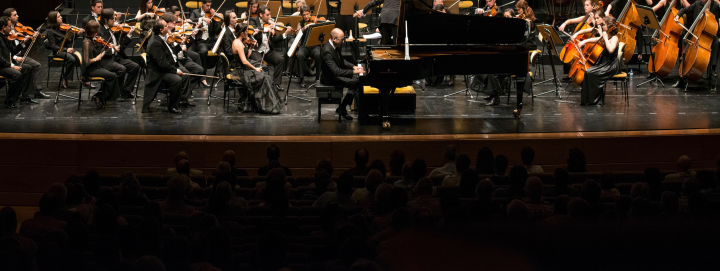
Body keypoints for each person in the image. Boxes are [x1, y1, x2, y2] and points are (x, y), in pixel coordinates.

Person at [141, 14, 193, 114]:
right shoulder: (155, 43)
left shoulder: (161, 37)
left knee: (185, 75)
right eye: (165, 26)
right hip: (158, 72)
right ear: (161, 30)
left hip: (164, 68)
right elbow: (161, 64)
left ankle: (182, 99)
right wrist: (176, 70)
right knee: (176, 80)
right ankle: (172, 106)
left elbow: (169, 53)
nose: (168, 27)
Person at [229, 22, 284, 113]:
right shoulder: (238, 43)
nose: (248, 33)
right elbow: (244, 61)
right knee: (264, 77)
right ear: (242, 33)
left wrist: (251, 48)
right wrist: (255, 69)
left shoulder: (240, 41)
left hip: (244, 67)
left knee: (264, 74)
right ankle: (265, 106)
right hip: (241, 70)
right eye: (246, 31)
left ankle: (267, 104)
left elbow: (247, 56)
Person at [321, 28, 365, 120]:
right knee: (357, 83)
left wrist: (353, 67)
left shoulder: (335, 45)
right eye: (342, 39)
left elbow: (342, 61)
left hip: (335, 74)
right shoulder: (327, 51)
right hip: (330, 78)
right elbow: (336, 71)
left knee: (356, 82)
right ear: (334, 38)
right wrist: (353, 72)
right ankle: (344, 108)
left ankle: (342, 107)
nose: (344, 41)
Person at [674, 0, 720, 88]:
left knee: (716, 42)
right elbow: (685, 10)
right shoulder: (697, 3)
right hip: (697, 33)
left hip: (710, 33)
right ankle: (681, 77)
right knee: (684, 43)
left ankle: (713, 68)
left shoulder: (715, 5)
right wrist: (677, 16)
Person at [98, 8, 140, 100]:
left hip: (117, 57)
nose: (115, 20)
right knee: (122, 69)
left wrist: (129, 34)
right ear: (105, 20)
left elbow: (121, 47)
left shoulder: (113, 29)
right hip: (106, 59)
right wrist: (113, 49)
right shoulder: (100, 31)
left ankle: (126, 91)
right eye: (112, 19)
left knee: (135, 66)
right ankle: (116, 94)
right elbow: (99, 50)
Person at [249, 5, 292, 90]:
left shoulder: (269, 23)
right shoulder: (253, 20)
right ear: (261, 15)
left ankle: (276, 85)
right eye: (267, 15)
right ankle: (261, 86)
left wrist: (285, 34)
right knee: (260, 64)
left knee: (280, 59)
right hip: (256, 50)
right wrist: (266, 29)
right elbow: (254, 30)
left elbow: (275, 39)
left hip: (267, 50)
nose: (270, 17)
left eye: (270, 14)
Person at [3, 8, 43, 102]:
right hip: (13, 58)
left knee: (36, 66)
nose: (18, 16)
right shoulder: (6, 33)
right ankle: (21, 94)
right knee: (30, 67)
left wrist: (29, 37)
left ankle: (33, 92)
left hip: (19, 55)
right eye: (15, 15)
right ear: (9, 18)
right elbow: (6, 52)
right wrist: (16, 58)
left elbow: (16, 47)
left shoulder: (17, 28)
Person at [82, 19, 121, 108]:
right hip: (89, 70)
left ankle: (100, 96)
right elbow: (86, 61)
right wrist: (96, 59)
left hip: (96, 67)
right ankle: (100, 96)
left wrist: (106, 49)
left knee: (112, 75)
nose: (97, 33)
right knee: (112, 76)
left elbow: (99, 55)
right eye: (96, 31)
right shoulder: (86, 43)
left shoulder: (91, 40)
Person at [0, 16, 34, 108]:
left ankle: (24, 96)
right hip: (2, 66)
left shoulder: (7, 37)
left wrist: (23, 43)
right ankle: (9, 100)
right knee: (17, 74)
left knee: (28, 68)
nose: (11, 28)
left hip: (7, 65)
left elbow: (13, 51)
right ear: (4, 27)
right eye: (9, 26)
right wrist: (12, 66)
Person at [188, 0, 224, 86]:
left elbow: (216, 31)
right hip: (201, 41)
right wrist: (202, 19)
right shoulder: (195, 12)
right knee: (203, 51)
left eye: (210, 5)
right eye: (207, 5)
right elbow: (190, 20)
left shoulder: (212, 14)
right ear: (202, 4)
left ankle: (218, 72)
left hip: (211, 40)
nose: (209, 8)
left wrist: (221, 25)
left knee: (222, 50)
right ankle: (203, 75)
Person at [44, 11, 84, 89]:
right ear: (53, 19)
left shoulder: (62, 28)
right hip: (58, 51)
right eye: (59, 17)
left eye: (60, 16)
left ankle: (84, 78)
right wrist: (66, 50)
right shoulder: (50, 31)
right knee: (71, 58)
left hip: (66, 50)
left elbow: (69, 41)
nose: (61, 17)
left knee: (79, 56)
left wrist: (77, 34)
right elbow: (53, 46)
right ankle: (64, 77)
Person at [295, 5, 323, 88]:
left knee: (318, 55)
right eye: (304, 15)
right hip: (304, 46)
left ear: (310, 13)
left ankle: (317, 78)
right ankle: (301, 78)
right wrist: (304, 28)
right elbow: (297, 34)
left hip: (314, 46)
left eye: (307, 14)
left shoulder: (315, 21)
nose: (306, 16)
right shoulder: (300, 23)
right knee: (300, 55)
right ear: (301, 15)